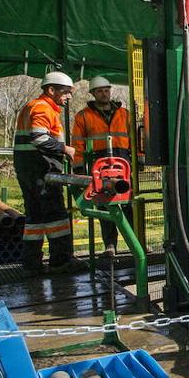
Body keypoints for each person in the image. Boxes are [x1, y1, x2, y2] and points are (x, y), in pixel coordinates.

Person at [13, 71, 78, 275]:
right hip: (41, 171)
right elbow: (39, 139)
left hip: (28, 170)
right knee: (56, 216)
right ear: (51, 90)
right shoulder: (43, 107)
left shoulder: (31, 106)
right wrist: (65, 149)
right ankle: (61, 262)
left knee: (35, 219)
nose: (69, 97)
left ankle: (31, 264)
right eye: (66, 92)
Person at [71, 76, 132, 257]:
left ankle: (136, 244)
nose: (104, 94)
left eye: (106, 90)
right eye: (100, 91)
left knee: (128, 204)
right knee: (105, 205)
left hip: (123, 162)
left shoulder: (124, 113)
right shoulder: (83, 116)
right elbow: (78, 144)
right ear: (93, 93)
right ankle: (110, 246)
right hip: (99, 163)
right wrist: (79, 168)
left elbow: (137, 139)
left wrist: (140, 159)